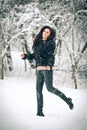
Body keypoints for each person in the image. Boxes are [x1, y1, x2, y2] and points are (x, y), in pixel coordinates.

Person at [20, 25, 74, 117]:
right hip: (39, 69)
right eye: (44, 31)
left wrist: (49, 65)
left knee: (50, 88)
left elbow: (51, 56)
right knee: (38, 90)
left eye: (47, 32)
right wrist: (25, 56)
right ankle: (39, 112)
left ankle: (67, 100)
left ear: (50, 35)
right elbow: (34, 55)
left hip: (46, 69)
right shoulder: (39, 43)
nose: (45, 33)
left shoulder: (50, 44)